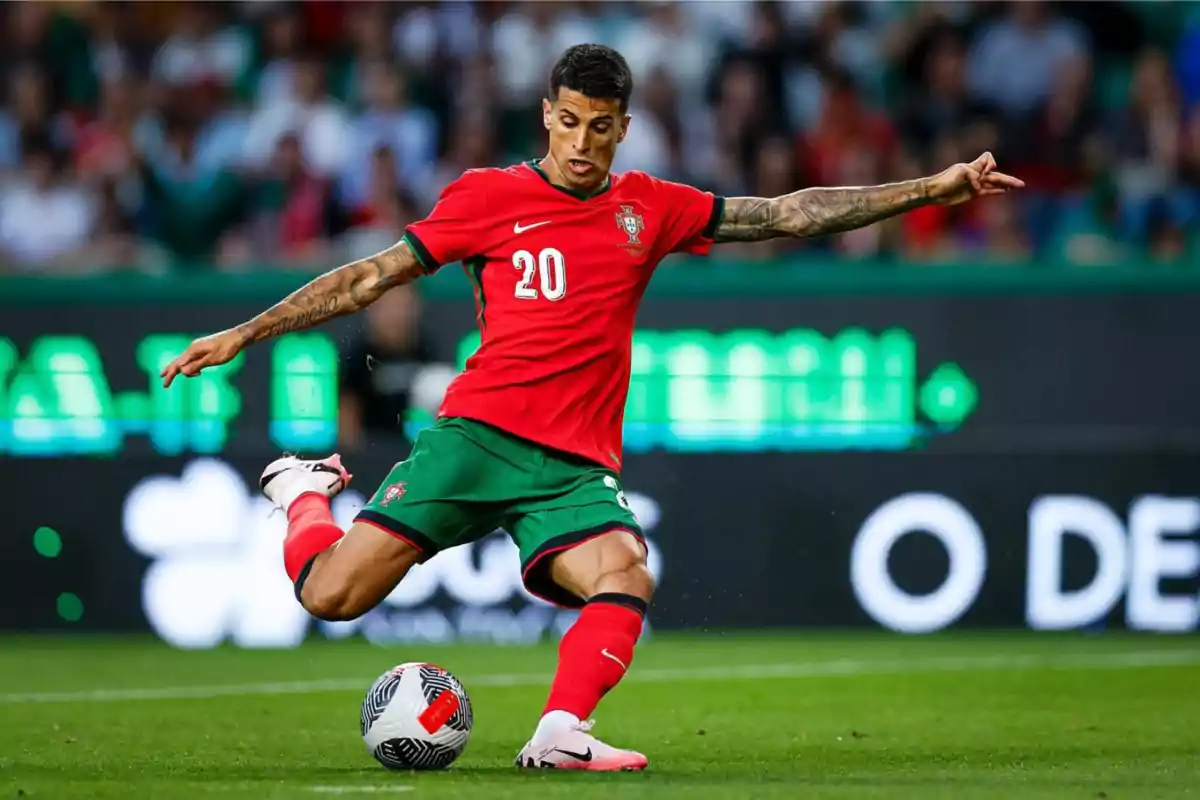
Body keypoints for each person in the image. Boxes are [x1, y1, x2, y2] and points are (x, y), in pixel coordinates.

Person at [160, 44, 1023, 771]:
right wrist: (249, 330)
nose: (581, 143)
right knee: (329, 597)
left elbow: (787, 212)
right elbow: (367, 277)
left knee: (624, 570)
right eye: (568, 122)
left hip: (573, 466)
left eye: (599, 127)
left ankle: (560, 730)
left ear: (623, 127)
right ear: (546, 114)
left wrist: (929, 188)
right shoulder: (486, 198)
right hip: (477, 440)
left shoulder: (648, 206)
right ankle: (303, 492)